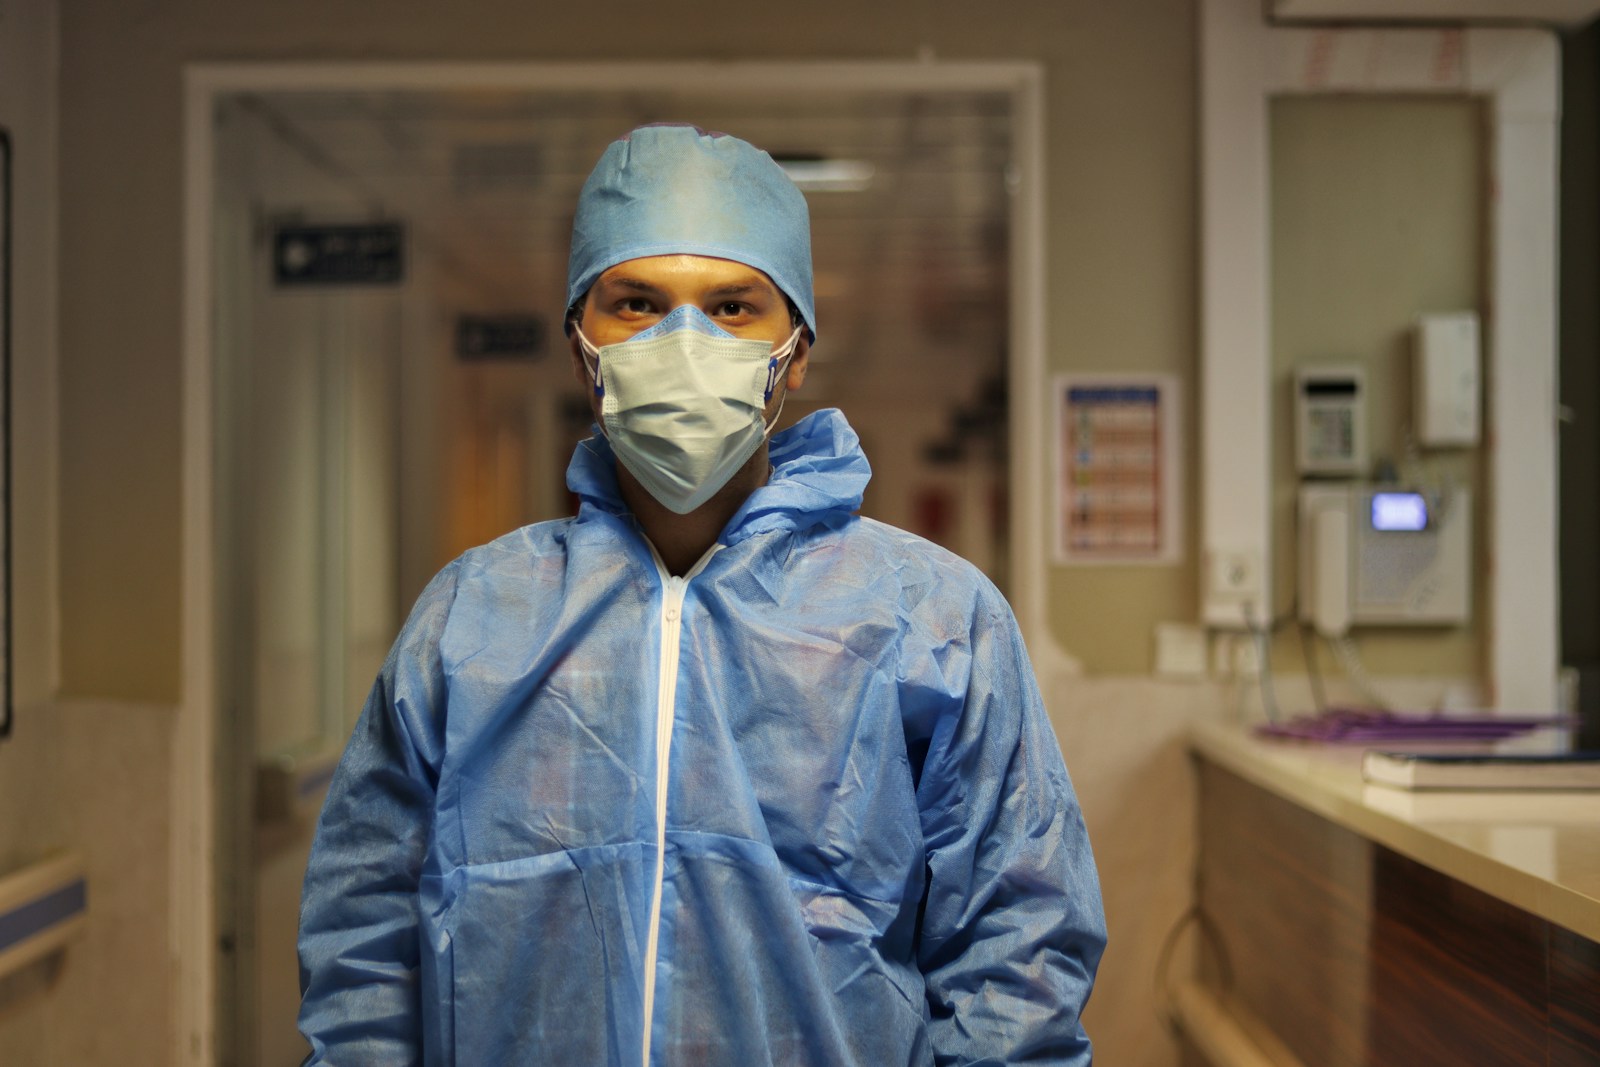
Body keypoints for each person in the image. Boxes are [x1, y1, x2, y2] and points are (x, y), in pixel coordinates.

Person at [298, 123, 1106, 1066]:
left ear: (794, 352)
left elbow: (1018, 958)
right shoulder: (473, 618)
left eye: (732, 307)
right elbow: (364, 948)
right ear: (580, 343)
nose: (684, 341)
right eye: (637, 303)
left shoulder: (934, 620)